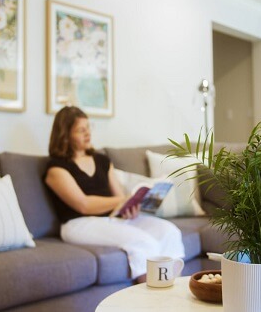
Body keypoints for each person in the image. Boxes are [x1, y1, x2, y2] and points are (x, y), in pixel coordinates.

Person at [44, 106, 185, 280]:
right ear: (65, 136)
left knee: (169, 232)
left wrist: (129, 207)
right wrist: (119, 201)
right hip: (79, 224)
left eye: (89, 128)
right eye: (81, 130)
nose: (88, 133)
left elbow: (118, 196)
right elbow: (83, 204)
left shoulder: (102, 160)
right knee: (143, 242)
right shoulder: (56, 168)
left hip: (112, 219)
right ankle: (155, 299)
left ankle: (173, 291)